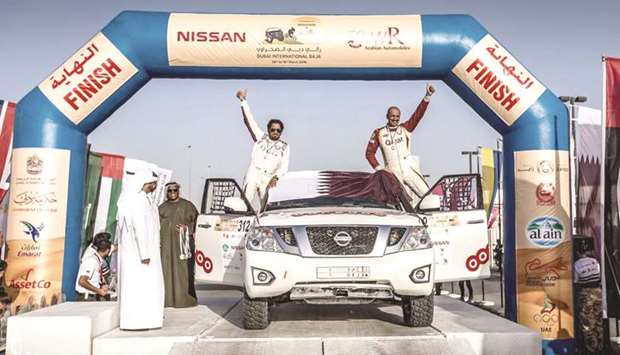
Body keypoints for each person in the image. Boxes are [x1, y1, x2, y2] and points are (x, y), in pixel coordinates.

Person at [365, 84, 435, 204]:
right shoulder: (378, 133)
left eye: (397, 116)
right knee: (401, 203)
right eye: (392, 116)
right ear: (387, 116)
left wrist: (427, 96)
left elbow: (418, 115)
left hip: (409, 169)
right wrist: (380, 169)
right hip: (393, 174)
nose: (395, 119)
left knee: (428, 197)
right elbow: (369, 153)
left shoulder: (405, 128)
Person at [117, 168, 164, 330]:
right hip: (139, 255)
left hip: (146, 252)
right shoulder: (137, 201)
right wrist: (144, 253)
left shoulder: (145, 199)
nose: (154, 186)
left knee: (148, 287)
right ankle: (137, 321)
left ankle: (148, 318)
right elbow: (139, 228)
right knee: (139, 287)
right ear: (146, 183)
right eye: (153, 183)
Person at [236, 89, 290, 207]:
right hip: (254, 172)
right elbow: (249, 120)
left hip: (269, 177)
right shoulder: (260, 137)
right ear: (268, 129)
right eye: (273, 129)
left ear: (281, 132)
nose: (275, 132)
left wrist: (276, 177)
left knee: (267, 206)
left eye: (278, 130)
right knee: (246, 200)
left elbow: (284, 166)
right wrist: (243, 101)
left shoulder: (285, 147)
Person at [159, 182, 199, 308]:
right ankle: (167, 300)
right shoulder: (161, 208)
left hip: (183, 246)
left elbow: (199, 223)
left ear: (178, 191)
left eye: (174, 190)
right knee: (166, 271)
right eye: (169, 191)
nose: (172, 193)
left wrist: (187, 228)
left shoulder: (188, 206)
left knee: (184, 272)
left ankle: (185, 300)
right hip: (166, 247)